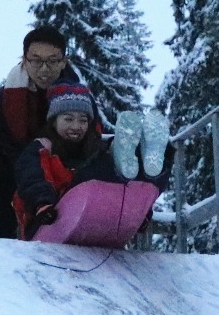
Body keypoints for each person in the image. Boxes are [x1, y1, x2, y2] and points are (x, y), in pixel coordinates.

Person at [0, 26, 97, 238]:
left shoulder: (77, 98)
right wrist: (29, 166)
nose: (44, 69)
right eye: (36, 60)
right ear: (25, 60)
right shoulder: (7, 98)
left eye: (52, 61)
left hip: (62, 172)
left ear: (63, 61)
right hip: (17, 168)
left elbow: (91, 139)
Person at [13, 84, 171, 239]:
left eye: (83, 120)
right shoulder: (42, 148)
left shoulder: (94, 149)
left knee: (117, 168)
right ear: (54, 121)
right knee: (99, 170)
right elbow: (31, 178)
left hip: (98, 219)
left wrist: (141, 214)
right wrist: (42, 203)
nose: (76, 126)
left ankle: (148, 164)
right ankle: (125, 154)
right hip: (47, 223)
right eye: (68, 119)